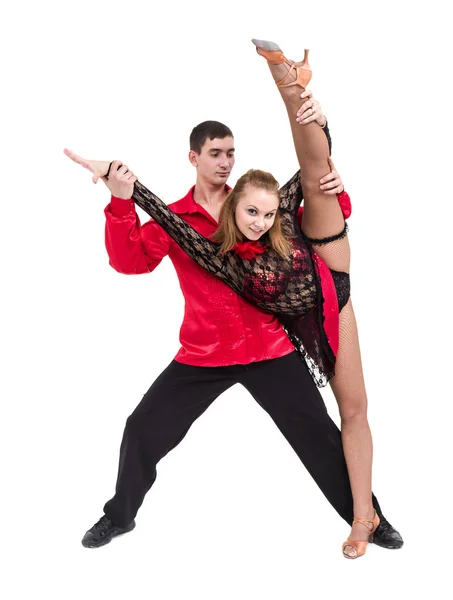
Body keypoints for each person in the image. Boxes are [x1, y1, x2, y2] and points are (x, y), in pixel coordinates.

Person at [65, 90, 402, 555]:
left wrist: (333, 187)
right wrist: (122, 203)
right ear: (194, 157)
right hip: (203, 354)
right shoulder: (175, 219)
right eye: (216, 154)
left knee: (320, 438)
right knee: (141, 428)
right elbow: (130, 263)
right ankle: (118, 516)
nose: (225, 162)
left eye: (231, 154)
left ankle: (369, 517)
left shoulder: (250, 206)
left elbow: (318, 219)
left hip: (269, 350)